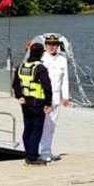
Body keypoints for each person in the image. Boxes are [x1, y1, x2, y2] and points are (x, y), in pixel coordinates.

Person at [12, 42, 52, 167]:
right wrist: (48, 103)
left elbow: (15, 84)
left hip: (25, 102)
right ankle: (32, 158)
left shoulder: (21, 66)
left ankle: (29, 153)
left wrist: (20, 96)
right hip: (37, 102)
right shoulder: (40, 68)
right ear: (41, 54)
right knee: (36, 129)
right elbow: (47, 87)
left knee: (28, 128)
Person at [39, 34, 70, 162]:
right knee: (42, 126)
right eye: (50, 44)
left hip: (56, 98)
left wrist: (65, 96)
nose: (52, 47)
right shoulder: (41, 59)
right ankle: (41, 152)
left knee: (51, 127)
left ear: (58, 46)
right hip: (43, 98)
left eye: (54, 45)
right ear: (46, 46)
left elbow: (65, 79)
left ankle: (48, 150)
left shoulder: (62, 60)